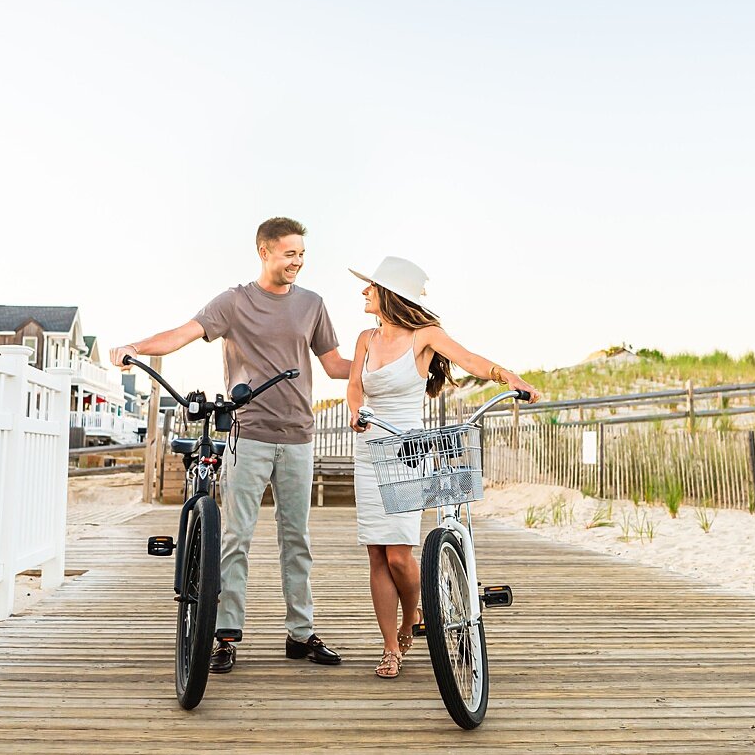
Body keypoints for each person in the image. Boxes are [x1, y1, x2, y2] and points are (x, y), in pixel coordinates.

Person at [110, 217, 352, 675]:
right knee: (236, 538)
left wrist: (388, 361)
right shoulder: (235, 302)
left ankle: (301, 635)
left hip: (298, 436)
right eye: (289, 253)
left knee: (296, 538)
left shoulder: (313, 305)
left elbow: (337, 365)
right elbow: (184, 333)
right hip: (249, 435)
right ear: (264, 252)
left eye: (301, 253)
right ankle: (224, 636)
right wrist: (135, 347)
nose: (297, 261)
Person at [346, 256, 540, 678]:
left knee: (398, 554)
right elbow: (354, 388)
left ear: (389, 294)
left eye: (371, 287)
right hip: (369, 449)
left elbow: (469, 359)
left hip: (407, 452)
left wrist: (508, 377)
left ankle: (413, 615)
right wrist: (356, 411)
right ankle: (389, 648)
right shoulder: (365, 338)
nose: (363, 292)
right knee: (376, 554)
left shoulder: (425, 336)